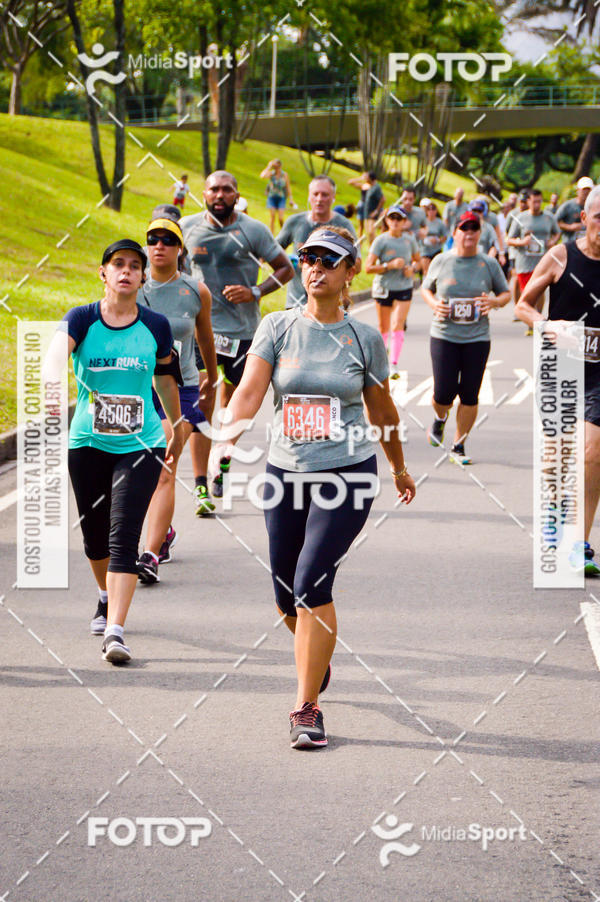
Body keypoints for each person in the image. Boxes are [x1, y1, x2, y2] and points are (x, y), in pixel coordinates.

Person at [221, 226, 416, 748]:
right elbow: (249, 392)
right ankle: (316, 654)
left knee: (311, 583)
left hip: (347, 474)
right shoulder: (277, 326)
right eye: (309, 258)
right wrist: (225, 438)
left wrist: (398, 467)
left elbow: (382, 411)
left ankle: (306, 706)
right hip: (285, 472)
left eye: (330, 261)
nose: (316, 269)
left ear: (351, 271)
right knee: (285, 594)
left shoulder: (363, 338)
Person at [53, 240, 183, 663]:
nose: (126, 271)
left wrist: (176, 423)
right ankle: (105, 594)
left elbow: (165, 379)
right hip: (88, 441)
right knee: (94, 538)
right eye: (117, 264)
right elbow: (55, 355)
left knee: (123, 534)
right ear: (103, 273)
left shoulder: (156, 326)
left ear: (143, 278)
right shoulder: (81, 319)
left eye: (134, 266)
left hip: (142, 442)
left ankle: (115, 632)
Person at [181, 170, 293, 498]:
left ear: (236, 194)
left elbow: (285, 268)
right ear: (204, 194)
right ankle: (200, 483)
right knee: (203, 399)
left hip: (243, 332)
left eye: (226, 189)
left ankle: (222, 455)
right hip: (200, 330)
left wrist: (255, 291)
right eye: (214, 189)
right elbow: (168, 267)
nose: (220, 195)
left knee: (234, 403)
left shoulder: (253, 229)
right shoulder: (187, 228)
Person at [516, 185, 600, 575]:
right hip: (560, 366)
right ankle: (554, 516)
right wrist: (547, 325)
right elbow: (523, 305)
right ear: (583, 219)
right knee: (557, 457)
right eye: (599, 217)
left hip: (598, 372)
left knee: (592, 453)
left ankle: (580, 543)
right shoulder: (560, 256)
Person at [134, 218, 218, 583]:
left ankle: (150, 555)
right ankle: (164, 531)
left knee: (164, 465)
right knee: (137, 470)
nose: (160, 245)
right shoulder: (132, 286)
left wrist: (212, 375)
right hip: (137, 388)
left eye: (168, 240)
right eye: (153, 239)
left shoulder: (195, 290)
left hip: (180, 389)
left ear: (179, 249)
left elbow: (205, 337)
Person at [421, 211, 510, 465]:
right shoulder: (441, 261)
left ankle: (458, 446)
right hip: (444, 335)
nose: (469, 233)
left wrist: (494, 302)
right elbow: (426, 288)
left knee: (470, 394)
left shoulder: (488, 264)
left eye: (474, 228)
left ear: (480, 233)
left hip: (477, 337)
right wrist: (434, 304)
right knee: (443, 394)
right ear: (455, 233)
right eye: (464, 228)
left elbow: (505, 294)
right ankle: (440, 419)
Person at [277, 174, 359, 310]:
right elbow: (271, 253)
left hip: (331, 306)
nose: (319, 199)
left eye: (325, 195)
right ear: (309, 196)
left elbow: (357, 264)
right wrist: (290, 260)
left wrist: (332, 261)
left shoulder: (344, 225)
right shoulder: (295, 222)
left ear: (333, 197)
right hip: (296, 303)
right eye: (315, 194)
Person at [365, 205, 420, 366]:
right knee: (384, 327)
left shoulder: (409, 240)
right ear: (387, 220)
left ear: (404, 221)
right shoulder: (381, 241)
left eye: (399, 218)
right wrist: (389, 265)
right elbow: (368, 268)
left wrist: (412, 269)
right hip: (384, 288)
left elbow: (418, 261)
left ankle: (394, 363)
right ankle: (382, 363)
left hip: (404, 287)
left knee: (398, 324)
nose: (395, 221)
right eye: (392, 218)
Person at [506, 187, 559, 331]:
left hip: (543, 261)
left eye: (539, 201)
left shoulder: (548, 217)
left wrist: (552, 241)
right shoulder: (520, 218)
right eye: (534, 201)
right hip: (524, 261)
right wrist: (522, 242)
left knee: (540, 291)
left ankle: (538, 319)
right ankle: (529, 319)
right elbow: (509, 239)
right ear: (528, 201)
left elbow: (557, 232)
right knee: (527, 292)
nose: (537, 205)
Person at [260, 158, 295, 233]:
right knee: (272, 217)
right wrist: (269, 166)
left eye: (277, 167)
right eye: (275, 167)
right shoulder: (271, 173)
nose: (276, 169)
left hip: (281, 198)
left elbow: (288, 187)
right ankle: (271, 235)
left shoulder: (284, 175)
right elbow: (262, 176)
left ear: (280, 166)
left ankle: (284, 232)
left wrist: (291, 199)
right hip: (272, 197)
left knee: (280, 218)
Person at [556, 177, 594, 244]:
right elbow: (555, 221)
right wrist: (569, 227)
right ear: (577, 190)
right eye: (584, 189)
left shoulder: (594, 207)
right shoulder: (568, 206)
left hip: (588, 244)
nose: (586, 192)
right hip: (569, 243)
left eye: (588, 189)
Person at [418, 198, 447, 275]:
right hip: (425, 249)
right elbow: (418, 234)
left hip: (436, 249)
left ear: (436, 211)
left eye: (433, 209)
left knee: (436, 271)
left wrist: (437, 240)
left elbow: (445, 236)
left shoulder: (440, 223)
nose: (431, 211)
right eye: (429, 209)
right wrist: (425, 239)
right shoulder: (423, 221)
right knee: (426, 270)